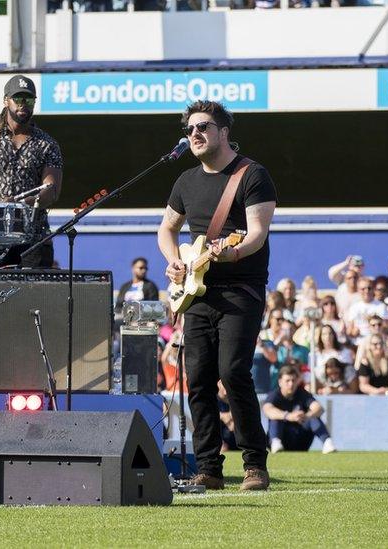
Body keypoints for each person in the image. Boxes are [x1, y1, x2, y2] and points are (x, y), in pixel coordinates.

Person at [158, 100, 276, 491]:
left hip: (241, 289)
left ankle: (255, 465)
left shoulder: (252, 175)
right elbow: (166, 229)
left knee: (233, 371)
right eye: (190, 128)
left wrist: (235, 251)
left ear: (224, 132)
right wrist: (175, 262)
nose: (195, 134)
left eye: (204, 127)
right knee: (199, 378)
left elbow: (257, 232)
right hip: (197, 291)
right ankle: (208, 467)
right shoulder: (185, 181)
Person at [0, 75, 63, 268]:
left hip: (33, 236)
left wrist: (19, 204)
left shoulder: (47, 144)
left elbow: (51, 190)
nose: (23, 105)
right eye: (18, 99)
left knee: (35, 297)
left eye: (28, 100)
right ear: (6, 101)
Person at [263, 365, 336, 454]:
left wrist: (306, 416)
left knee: (313, 418)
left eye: (293, 380)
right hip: (282, 438)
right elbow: (267, 410)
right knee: (275, 418)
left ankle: (327, 443)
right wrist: (288, 416)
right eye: (287, 381)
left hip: (300, 440)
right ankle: (276, 443)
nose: (291, 384)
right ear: (280, 382)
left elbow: (319, 408)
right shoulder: (274, 395)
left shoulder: (302, 393)